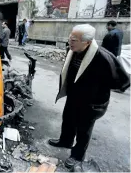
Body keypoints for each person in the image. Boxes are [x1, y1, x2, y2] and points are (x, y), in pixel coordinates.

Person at [48, 24, 130, 169]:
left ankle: (77, 156)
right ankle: (65, 141)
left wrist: (98, 87)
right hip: (74, 96)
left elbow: (123, 82)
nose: (70, 42)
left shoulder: (104, 57)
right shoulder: (73, 50)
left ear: (88, 42)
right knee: (68, 120)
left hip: (92, 102)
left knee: (83, 130)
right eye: (70, 38)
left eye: (74, 40)